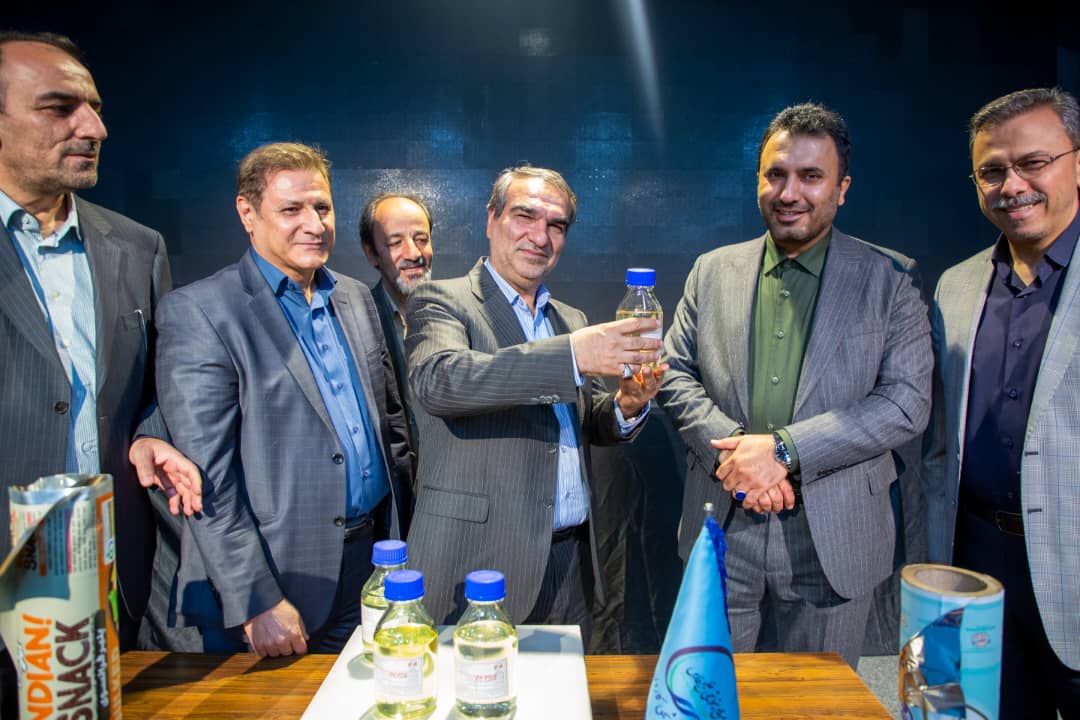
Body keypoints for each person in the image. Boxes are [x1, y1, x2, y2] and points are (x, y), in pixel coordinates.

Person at [657, 102, 931, 668]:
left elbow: (905, 404)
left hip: (835, 532)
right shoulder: (712, 270)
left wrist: (783, 450)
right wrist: (738, 454)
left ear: (842, 188)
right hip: (723, 520)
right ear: (758, 179)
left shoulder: (890, 279)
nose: (789, 193)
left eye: (811, 176)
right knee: (710, 691)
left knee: (819, 702)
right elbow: (673, 373)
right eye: (776, 174)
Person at [0, 30, 202, 714]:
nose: (94, 128)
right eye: (60, 108)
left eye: (94, 108)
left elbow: (156, 391)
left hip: (112, 571)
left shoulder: (138, 247)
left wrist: (149, 435)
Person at [155, 142, 413, 656]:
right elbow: (209, 478)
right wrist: (256, 600)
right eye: (292, 209)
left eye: (322, 207)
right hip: (276, 582)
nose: (313, 224)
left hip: (371, 565)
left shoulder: (355, 298)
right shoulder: (201, 312)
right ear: (247, 213)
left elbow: (390, 425)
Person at [404, 165, 665, 642]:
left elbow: (583, 420)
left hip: (570, 565)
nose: (540, 237)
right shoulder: (441, 300)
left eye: (556, 225)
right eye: (525, 216)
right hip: (478, 563)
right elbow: (440, 381)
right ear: (492, 219)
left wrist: (626, 405)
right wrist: (573, 356)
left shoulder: (569, 319)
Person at [924, 87, 1080, 718]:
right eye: (992, 171)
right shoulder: (956, 286)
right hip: (975, 561)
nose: (1012, 185)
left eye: (1033, 162)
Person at [360, 192, 433, 463]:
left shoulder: (459, 313)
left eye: (421, 239)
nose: (413, 253)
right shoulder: (356, 321)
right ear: (372, 254)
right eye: (395, 243)